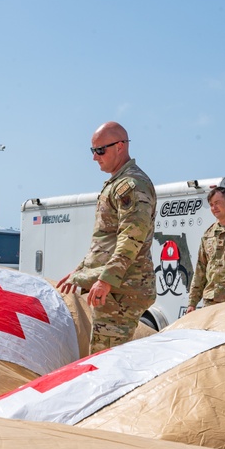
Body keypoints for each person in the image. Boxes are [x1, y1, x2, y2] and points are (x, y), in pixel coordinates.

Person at [57, 122, 155, 352]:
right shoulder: (117, 183)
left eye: (100, 150)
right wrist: (82, 269)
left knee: (106, 361)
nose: (95, 157)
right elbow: (106, 239)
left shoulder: (131, 184)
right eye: (92, 151)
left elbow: (131, 236)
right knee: (105, 356)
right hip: (116, 287)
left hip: (122, 289)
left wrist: (106, 280)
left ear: (120, 146)